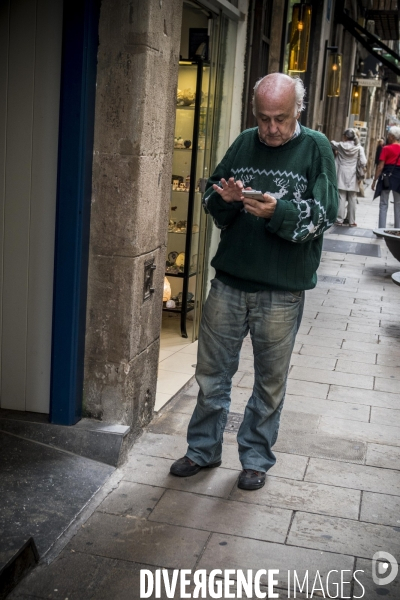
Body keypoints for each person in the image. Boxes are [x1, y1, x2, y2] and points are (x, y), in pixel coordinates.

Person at [169, 73, 338, 491]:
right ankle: (203, 450)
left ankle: (256, 459)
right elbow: (212, 194)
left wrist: (276, 214)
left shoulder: (315, 147)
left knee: (269, 383)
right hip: (229, 282)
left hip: (281, 291)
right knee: (211, 376)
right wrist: (222, 200)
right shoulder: (245, 141)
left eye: (280, 118)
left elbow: (325, 214)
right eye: (263, 118)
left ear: (298, 110)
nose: (271, 129)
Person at [331, 129, 366, 227]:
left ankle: (339, 219)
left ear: (346, 136)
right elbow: (363, 162)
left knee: (341, 197)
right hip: (353, 174)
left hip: (342, 173)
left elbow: (331, 143)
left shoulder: (340, 145)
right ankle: (351, 221)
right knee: (352, 197)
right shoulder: (359, 148)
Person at [372, 126, 400, 228]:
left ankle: (381, 230)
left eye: (389, 135)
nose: (388, 137)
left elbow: (380, 166)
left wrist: (374, 180)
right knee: (398, 204)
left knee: (383, 204)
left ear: (392, 137)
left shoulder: (386, 148)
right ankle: (398, 230)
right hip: (398, 179)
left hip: (386, 178)